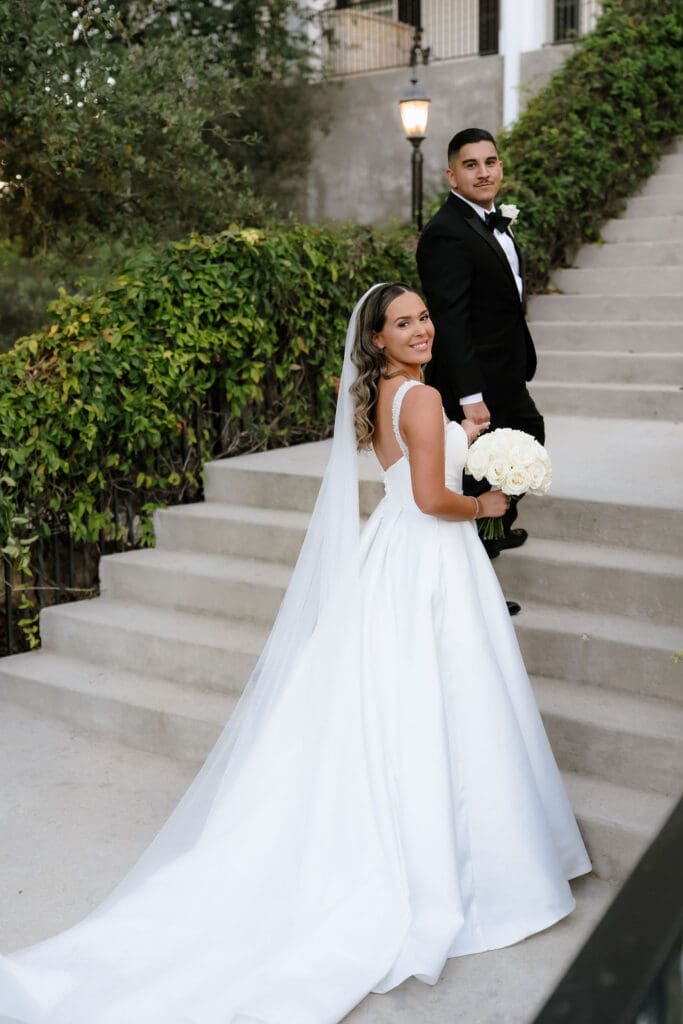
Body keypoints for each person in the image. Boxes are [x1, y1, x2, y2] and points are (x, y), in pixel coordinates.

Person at [0, 284, 590, 1024]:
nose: (421, 330)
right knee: (444, 692)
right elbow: (430, 499)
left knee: (404, 692)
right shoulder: (420, 396)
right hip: (431, 554)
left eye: (423, 318)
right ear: (376, 339)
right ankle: (461, 861)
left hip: (394, 553)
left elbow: (411, 466)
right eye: (403, 323)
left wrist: (467, 431)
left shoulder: (389, 397)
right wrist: (486, 504)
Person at [416, 128, 544, 611]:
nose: (484, 172)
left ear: (501, 167)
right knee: (476, 476)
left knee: (524, 443)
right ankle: (478, 586)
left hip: (505, 369)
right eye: (471, 165)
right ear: (452, 175)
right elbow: (450, 320)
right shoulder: (445, 233)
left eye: (490, 162)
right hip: (474, 380)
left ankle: (497, 526)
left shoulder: (492, 220)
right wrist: (470, 395)